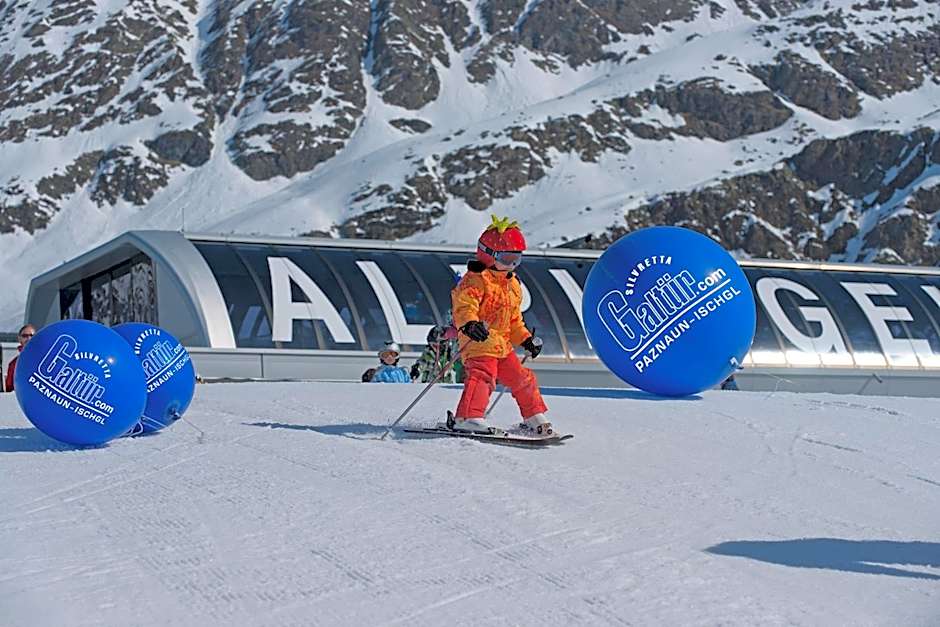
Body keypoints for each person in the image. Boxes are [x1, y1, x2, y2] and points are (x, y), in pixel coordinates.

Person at [450, 215, 551, 434]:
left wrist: (526, 339)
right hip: (478, 340)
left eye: (516, 259)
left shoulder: (512, 284)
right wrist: (469, 324)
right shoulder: (476, 279)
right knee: (483, 376)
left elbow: (514, 319)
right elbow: (464, 305)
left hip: (501, 344)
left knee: (523, 378)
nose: (511, 265)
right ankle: (468, 417)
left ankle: (533, 416)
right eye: (506, 259)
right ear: (487, 255)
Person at [4, 324, 36, 393]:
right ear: (19, 339)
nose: (29, 338)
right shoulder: (13, 364)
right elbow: (9, 388)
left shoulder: (45, 358)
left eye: (31, 335)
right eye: (25, 336)